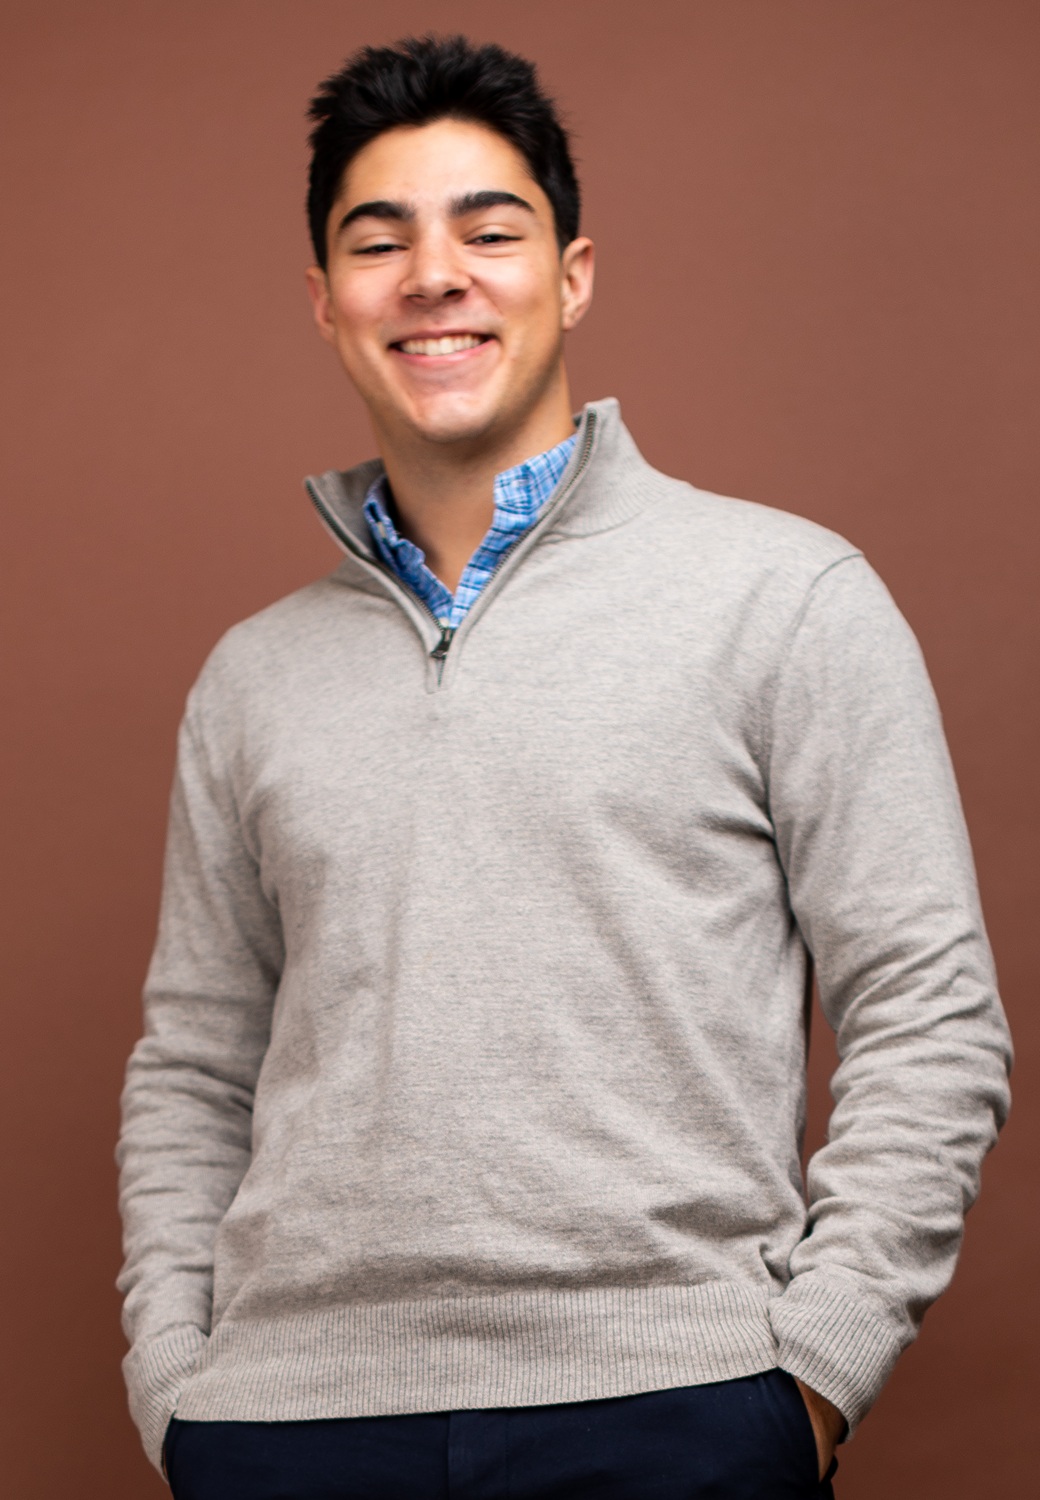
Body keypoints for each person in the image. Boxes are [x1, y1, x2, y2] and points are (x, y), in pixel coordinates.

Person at [117, 34, 1012, 1500]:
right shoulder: (251, 679)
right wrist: (178, 1386)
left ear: (574, 274)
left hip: (678, 1410)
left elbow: (930, 1012)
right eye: (379, 239)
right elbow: (195, 1069)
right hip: (285, 1429)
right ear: (327, 304)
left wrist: (812, 1380)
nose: (435, 275)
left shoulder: (784, 596)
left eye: (490, 229)